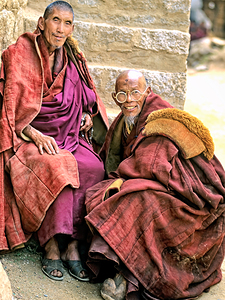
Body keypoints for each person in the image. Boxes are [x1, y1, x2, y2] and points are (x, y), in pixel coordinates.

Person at [85, 70, 225, 300]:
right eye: (122, 95)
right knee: (107, 192)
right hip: (158, 182)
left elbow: (152, 164)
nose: (129, 100)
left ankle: (127, 277)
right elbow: (114, 157)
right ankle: (118, 263)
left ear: (147, 92)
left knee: (135, 200)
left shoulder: (160, 118)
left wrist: (123, 177)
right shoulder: (125, 120)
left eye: (135, 93)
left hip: (187, 193)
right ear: (114, 97)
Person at [0, 1, 108, 282]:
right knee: (58, 169)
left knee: (92, 167)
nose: (61, 29)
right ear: (42, 22)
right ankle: (50, 245)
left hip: (69, 134)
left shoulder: (72, 56)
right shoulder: (20, 53)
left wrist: (85, 112)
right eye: (56, 21)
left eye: (68, 23)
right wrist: (34, 134)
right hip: (29, 137)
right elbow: (10, 106)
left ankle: (73, 244)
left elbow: (87, 94)